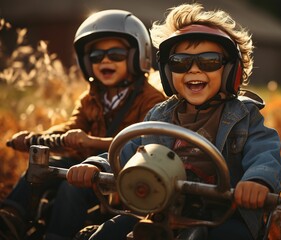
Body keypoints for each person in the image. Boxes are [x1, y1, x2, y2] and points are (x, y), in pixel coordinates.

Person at [66, 3, 281, 240]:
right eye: (181, 62)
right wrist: (97, 166)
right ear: (168, 71)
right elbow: (129, 150)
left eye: (209, 61)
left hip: (223, 213)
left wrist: (257, 180)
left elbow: (266, 153)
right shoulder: (159, 115)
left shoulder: (244, 116)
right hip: (159, 207)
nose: (193, 69)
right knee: (105, 234)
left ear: (230, 70)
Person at [0, 9, 165, 240]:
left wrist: (91, 141)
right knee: (45, 166)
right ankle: (12, 216)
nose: (105, 60)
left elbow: (143, 143)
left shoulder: (154, 101)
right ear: (87, 62)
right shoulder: (91, 97)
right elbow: (71, 127)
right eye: (96, 56)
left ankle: (58, 235)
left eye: (116, 54)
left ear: (137, 56)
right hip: (85, 164)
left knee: (72, 184)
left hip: (123, 172)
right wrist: (36, 137)